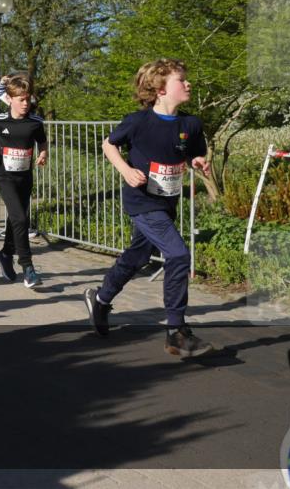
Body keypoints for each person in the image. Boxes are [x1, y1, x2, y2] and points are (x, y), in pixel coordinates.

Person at [84, 59, 214, 358]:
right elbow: (108, 144)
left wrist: (198, 161)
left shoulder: (190, 124)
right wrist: (125, 170)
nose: (188, 84)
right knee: (179, 254)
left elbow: (194, 151)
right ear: (159, 89)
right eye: (181, 80)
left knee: (138, 255)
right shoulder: (138, 121)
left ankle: (100, 299)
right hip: (141, 202)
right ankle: (176, 331)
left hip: (167, 203)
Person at [0, 75, 48, 289]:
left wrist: (43, 154)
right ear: (10, 99)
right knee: (21, 219)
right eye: (20, 99)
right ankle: (28, 268)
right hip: (5, 177)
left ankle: (4, 254)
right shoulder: (0, 120)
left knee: (16, 220)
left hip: (25, 177)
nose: (25, 103)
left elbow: (42, 140)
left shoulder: (35, 121)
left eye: (27, 99)